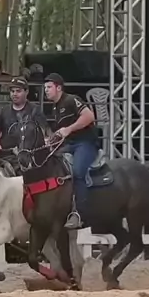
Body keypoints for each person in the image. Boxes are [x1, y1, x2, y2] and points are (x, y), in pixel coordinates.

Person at [44, 72, 98, 229]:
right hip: (69, 145)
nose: (46, 90)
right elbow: (62, 132)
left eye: (49, 87)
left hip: (85, 143)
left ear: (58, 88)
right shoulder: (55, 107)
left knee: (78, 172)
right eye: (45, 88)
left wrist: (69, 129)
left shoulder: (71, 100)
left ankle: (80, 214)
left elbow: (89, 116)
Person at [0, 76, 48, 174]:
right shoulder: (3, 110)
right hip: (6, 155)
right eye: (12, 91)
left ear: (26, 92)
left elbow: (45, 133)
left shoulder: (35, 110)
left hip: (28, 156)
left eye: (18, 91)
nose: (14, 94)